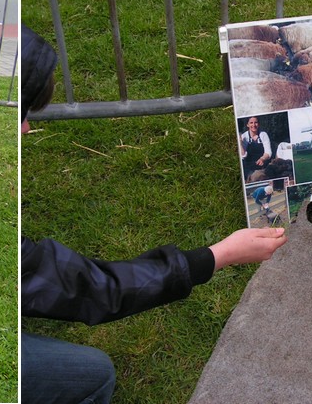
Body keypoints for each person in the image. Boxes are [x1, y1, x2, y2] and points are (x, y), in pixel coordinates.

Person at [20, 25, 288, 404]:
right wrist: (219, 255)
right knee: (94, 374)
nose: (29, 127)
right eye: (25, 112)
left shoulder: (260, 136)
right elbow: (93, 288)